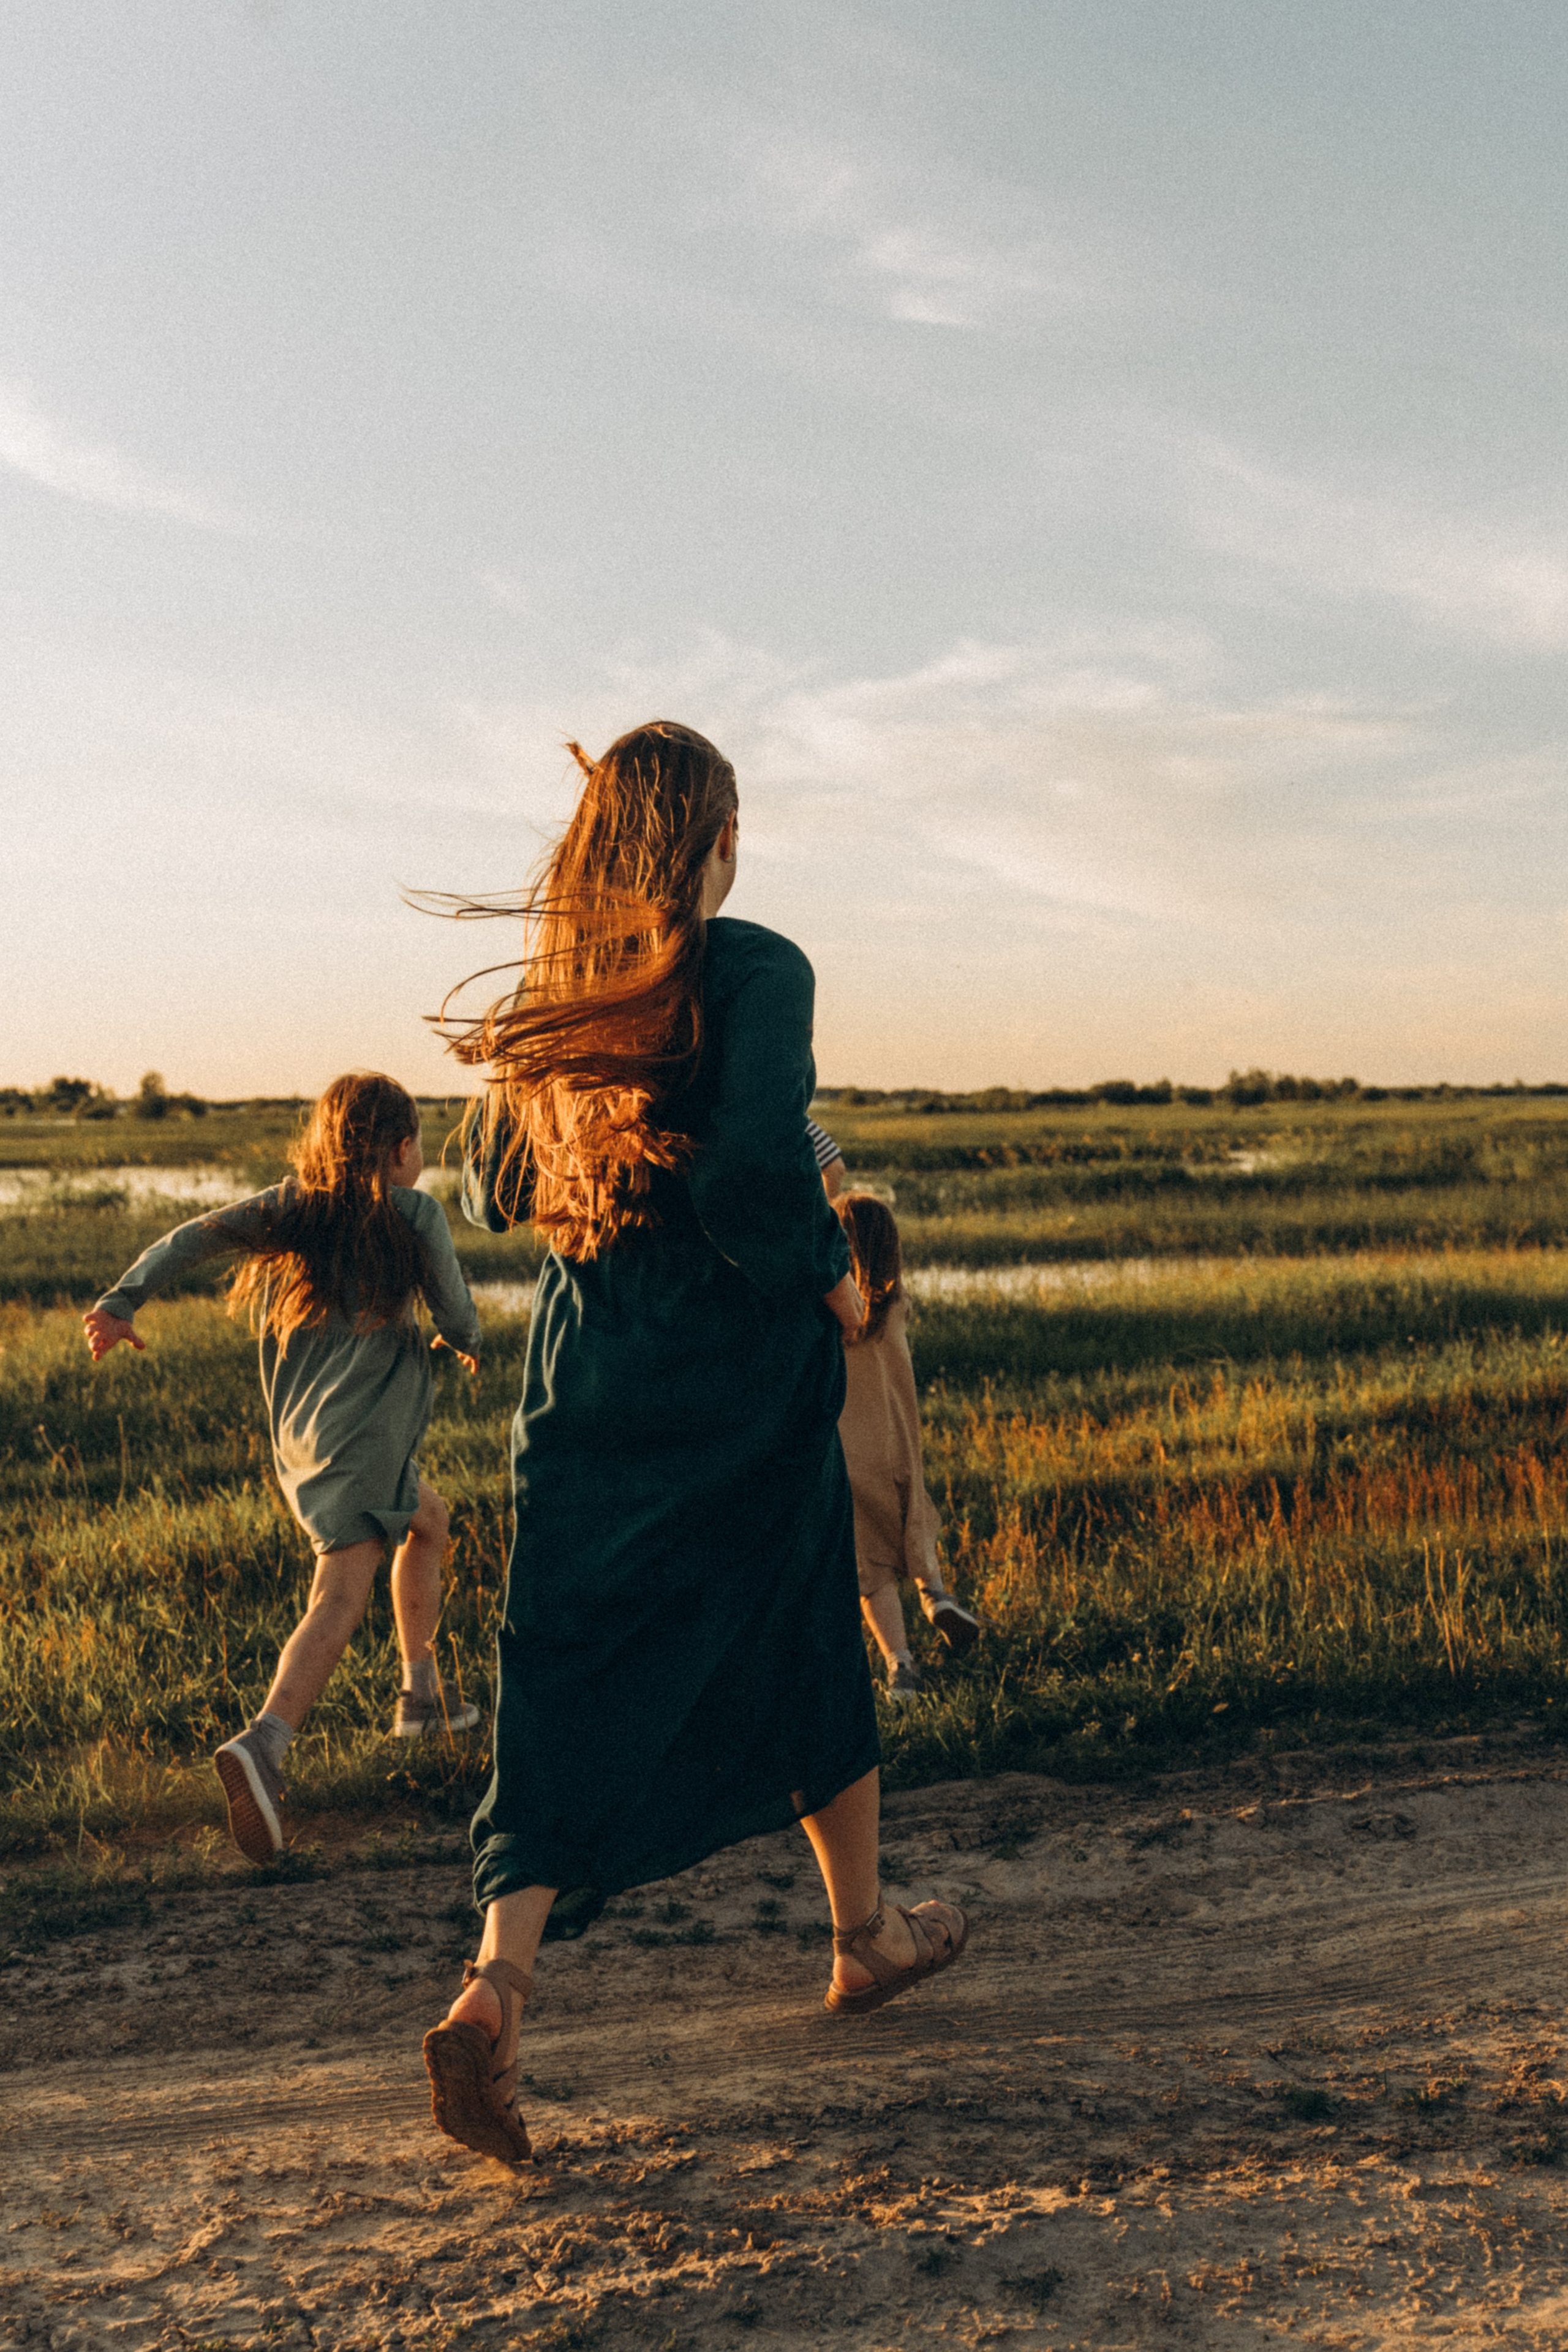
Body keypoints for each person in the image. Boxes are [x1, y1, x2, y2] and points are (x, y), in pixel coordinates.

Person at [420, 721, 969, 2165]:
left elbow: (491, 1185)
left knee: (560, 1660)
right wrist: (828, 1276)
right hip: (733, 1375)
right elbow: (745, 1172)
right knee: (796, 1625)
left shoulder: (559, 991)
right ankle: (860, 1933)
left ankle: (496, 1987)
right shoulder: (755, 968)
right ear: (712, 842)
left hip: (586, 1379)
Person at [83, 1072, 483, 1865]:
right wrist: (462, 1340)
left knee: (428, 1522)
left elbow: (190, 1237)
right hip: (361, 1441)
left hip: (307, 1439)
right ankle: (266, 1743)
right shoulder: (414, 1213)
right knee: (340, 1591)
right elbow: (459, 1313)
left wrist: (121, 1302)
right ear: (402, 1149)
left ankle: (422, 1697)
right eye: (418, 1149)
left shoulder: (293, 1206)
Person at [834, 1191, 983, 1698]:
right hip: (900, 1446)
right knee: (913, 1523)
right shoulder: (896, 1305)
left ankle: (901, 1667)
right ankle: (934, 1594)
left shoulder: (829, 1312)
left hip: (851, 1456)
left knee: (871, 1567)